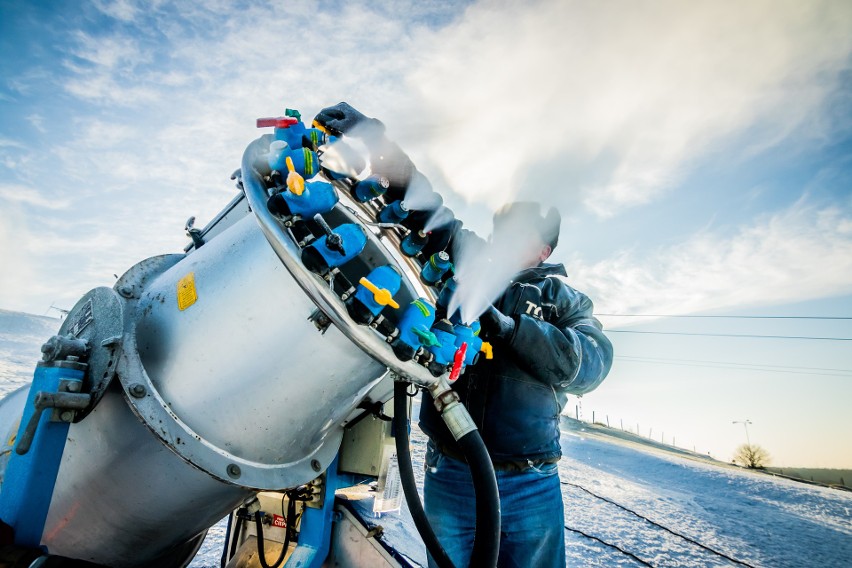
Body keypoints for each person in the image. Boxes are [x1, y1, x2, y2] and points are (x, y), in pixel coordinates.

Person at [418, 202, 614, 568]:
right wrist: (399, 176)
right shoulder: (470, 267)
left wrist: (511, 329)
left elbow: (592, 362)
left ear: (544, 251)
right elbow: (436, 220)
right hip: (451, 471)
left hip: (528, 482)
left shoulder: (564, 301)